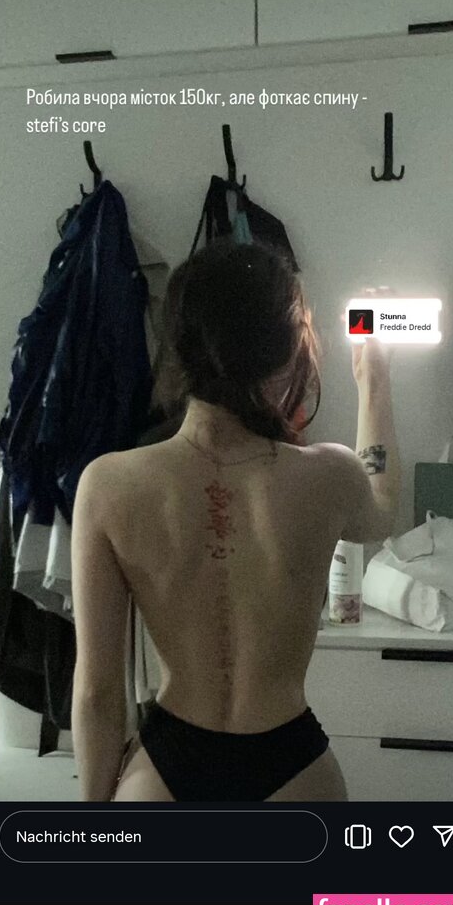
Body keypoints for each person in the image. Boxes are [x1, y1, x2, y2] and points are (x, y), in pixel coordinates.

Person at [71, 239, 400, 802]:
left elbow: (98, 693)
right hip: (292, 764)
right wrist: (374, 378)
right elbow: (383, 508)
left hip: (169, 765)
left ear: (180, 345)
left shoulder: (108, 484)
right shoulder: (329, 475)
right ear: (287, 351)